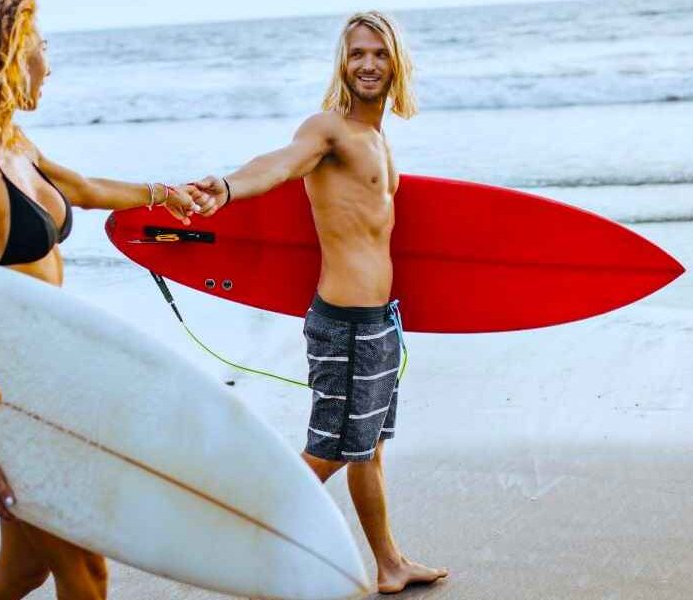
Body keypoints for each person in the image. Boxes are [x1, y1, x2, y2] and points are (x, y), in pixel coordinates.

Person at [0, 1, 211, 598]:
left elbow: (83, 189)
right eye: (41, 50)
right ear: (8, 59)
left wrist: (163, 194)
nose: (49, 66)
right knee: (85, 571)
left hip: (54, 387)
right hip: (13, 404)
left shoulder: (13, 144)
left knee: (22, 569)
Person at [188, 11, 448, 594]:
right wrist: (227, 187)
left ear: (397, 62)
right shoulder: (327, 131)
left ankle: (389, 564)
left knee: (369, 449)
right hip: (346, 327)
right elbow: (277, 165)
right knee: (328, 451)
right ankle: (233, 544)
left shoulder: (379, 139)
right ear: (342, 63)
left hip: (380, 323)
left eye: (379, 53)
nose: (368, 64)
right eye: (356, 53)